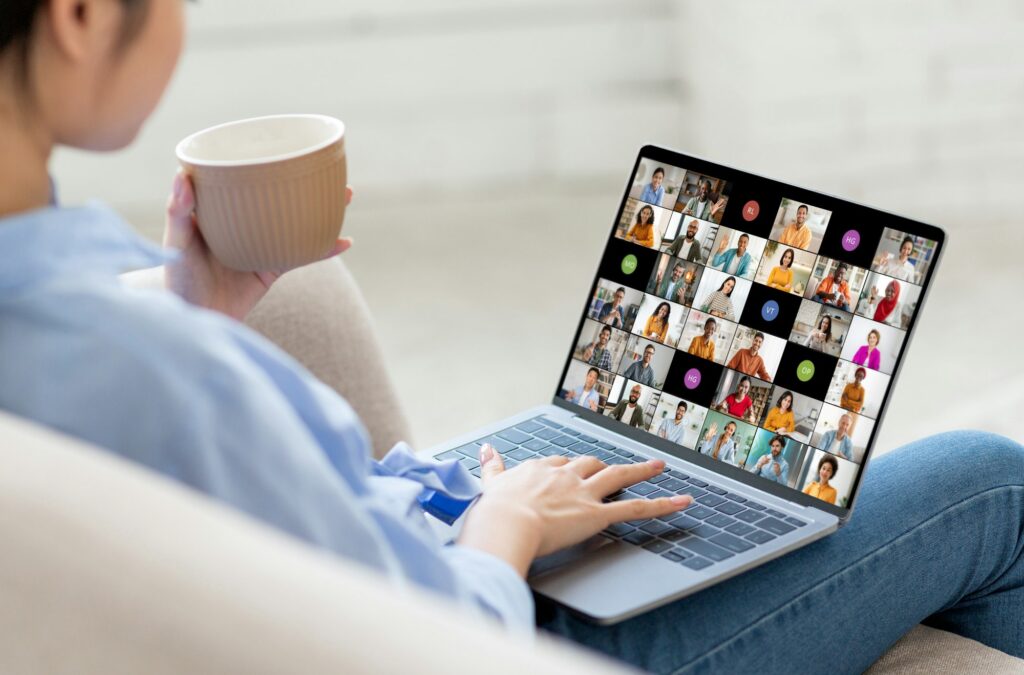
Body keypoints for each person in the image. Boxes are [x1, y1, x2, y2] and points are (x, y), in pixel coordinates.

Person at [6, 5, 1024, 673]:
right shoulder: (147, 367)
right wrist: (504, 531)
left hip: (420, 541)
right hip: (496, 628)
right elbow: (429, 648)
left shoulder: (91, 325)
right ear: (82, 19)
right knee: (991, 484)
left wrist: (202, 316)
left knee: (611, 459)